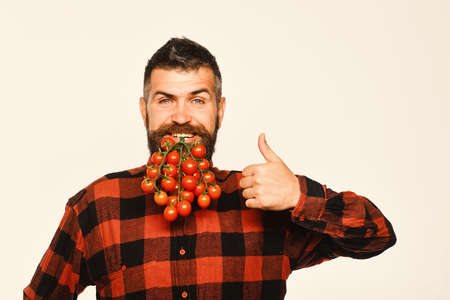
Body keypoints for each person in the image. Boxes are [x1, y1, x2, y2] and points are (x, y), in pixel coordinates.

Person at [24, 37, 396, 300]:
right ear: (144, 111)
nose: (181, 116)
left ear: (219, 110)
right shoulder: (97, 205)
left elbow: (377, 235)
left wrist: (300, 196)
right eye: (166, 99)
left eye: (197, 100)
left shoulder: (264, 199)